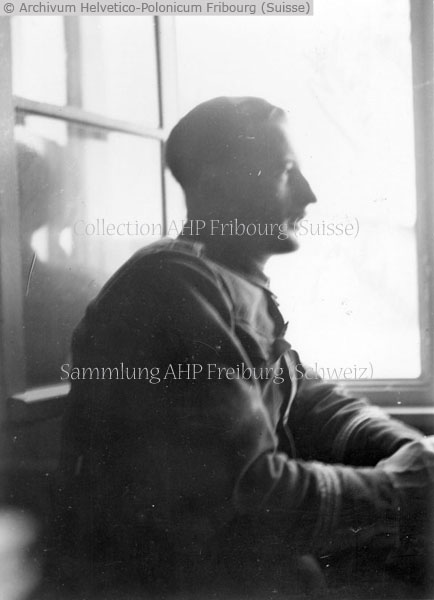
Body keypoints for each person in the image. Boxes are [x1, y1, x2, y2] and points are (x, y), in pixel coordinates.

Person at [54, 97, 434, 598]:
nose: (309, 194)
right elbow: (249, 493)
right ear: (215, 185)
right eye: (285, 172)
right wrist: (399, 491)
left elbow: (310, 399)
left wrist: (408, 450)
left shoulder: (224, 281)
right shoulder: (171, 288)